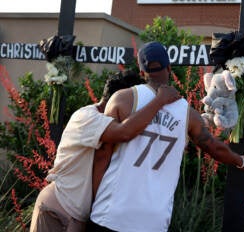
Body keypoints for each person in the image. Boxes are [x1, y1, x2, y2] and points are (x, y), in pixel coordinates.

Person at [88, 41, 244, 232]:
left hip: (111, 213)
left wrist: (93, 201)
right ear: (169, 67)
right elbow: (214, 147)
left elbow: (103, 155)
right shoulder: (188, 114)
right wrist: (240, 161)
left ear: (141, 70)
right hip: (154, 220)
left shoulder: (122, 99)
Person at [30, 69, 181, 232]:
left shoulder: (107, 121)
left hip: (76, 215)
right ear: (119, 99)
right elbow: (124, 132)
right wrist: (159, 100)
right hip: (58, 209)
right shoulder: (88, 117)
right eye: (134, 102)